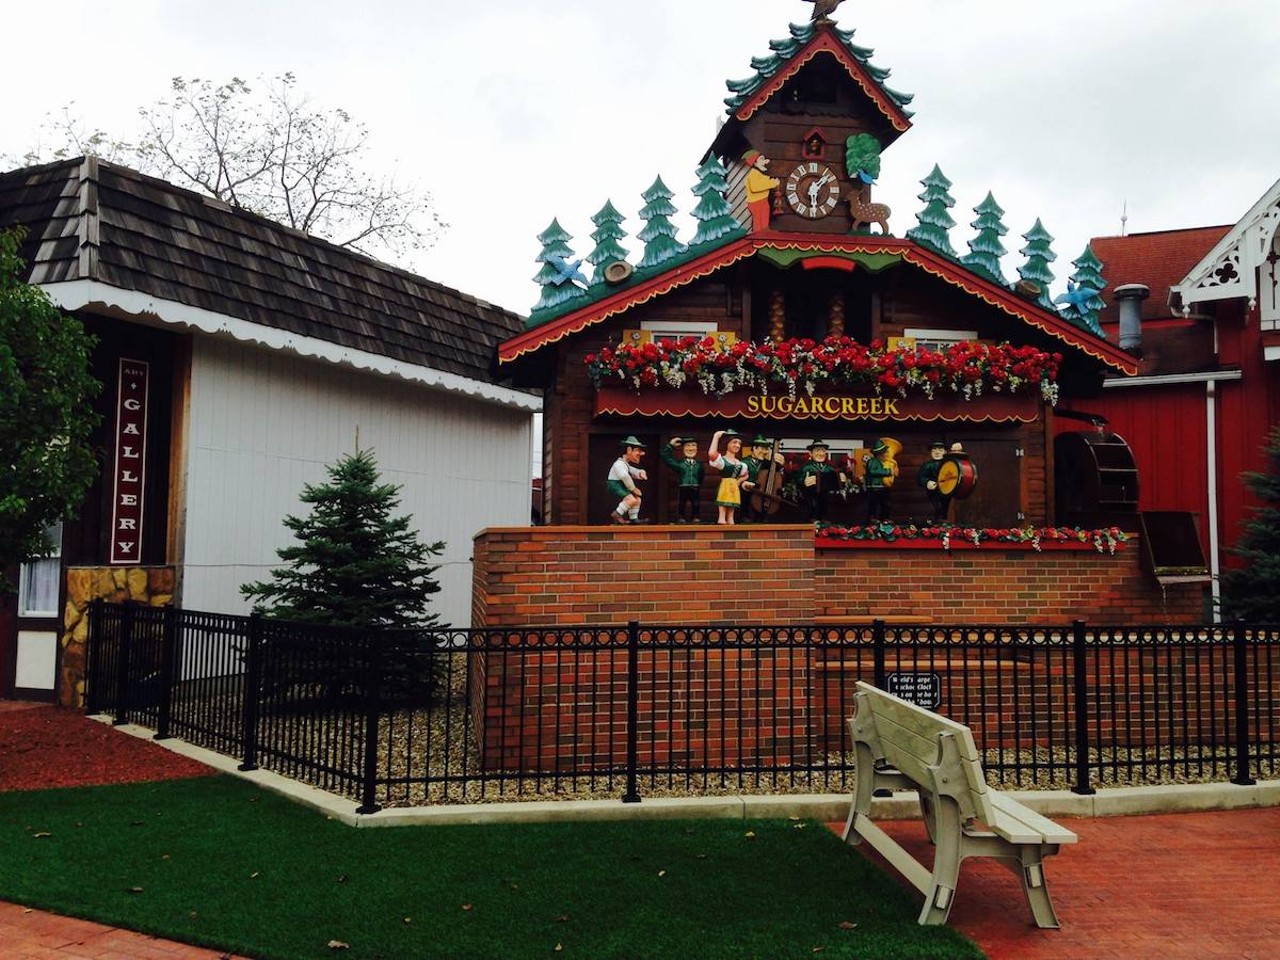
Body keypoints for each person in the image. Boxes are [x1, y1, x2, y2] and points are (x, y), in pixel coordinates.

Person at [794, 439, 847, 522]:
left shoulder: (829, 468)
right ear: (811, 453)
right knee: (812, 505)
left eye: (823, 451)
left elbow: (836, 482)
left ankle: (823, 519)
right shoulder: (807, 467)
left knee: (825, 504)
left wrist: (842, 480)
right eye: (817, 451)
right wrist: (803, 481)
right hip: (810, 495)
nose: (821, 454)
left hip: (825, 495)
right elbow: (798, 479)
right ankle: (813, 518)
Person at [708, 428, 751, 525]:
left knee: (732, 502)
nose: (737, 445)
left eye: (739, 443)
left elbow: (746, 474)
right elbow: (711, 454)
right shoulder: (722, 461)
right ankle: (722, 517)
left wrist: (739, 481)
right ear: (727, 444)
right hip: (725, 484)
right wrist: (716, 437)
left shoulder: (741, 464)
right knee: (723, 501)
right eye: (734, 442)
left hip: (734, 485)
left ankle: (730, 518)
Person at [740, 434, 785, 523]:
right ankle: (745, 517)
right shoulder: (744, 462)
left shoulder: (768, 464)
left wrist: (781, 465)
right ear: (754, 448)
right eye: (762, 448)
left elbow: (778, 475)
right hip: (747, 494)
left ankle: (762, 517)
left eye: (766, 449)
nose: (764, 451)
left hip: (762, 495)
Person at [661, 436, 705, 523]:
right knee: (682, 503)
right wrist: (670, 446)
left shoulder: (699, 465)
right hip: (683, 487)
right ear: (683, 449)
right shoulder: (680, 465)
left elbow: (701, 476)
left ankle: (695, 517)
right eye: (688, 446)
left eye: (693, 445)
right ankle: (681, 517)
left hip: (695, 487)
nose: (691, 448)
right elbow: (666, 457)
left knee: (696, 504)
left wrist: (697, 483)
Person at [606, 435, 648, 524]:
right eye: (637, 450)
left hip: (620, 484)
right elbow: (625, 477)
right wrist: (633, 489)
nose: (640, 454)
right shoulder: (618, 464)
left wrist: (640, 473)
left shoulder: (625, 465)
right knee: (631, 499)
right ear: (629, 450)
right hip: (614, 485)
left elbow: (632, 471)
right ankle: (617, 514)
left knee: (637, 499)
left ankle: (634, 519)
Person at [742, 150, 780, 232]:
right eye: (762, 159)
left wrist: (771, 182)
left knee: (765, 212)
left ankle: (765, 229)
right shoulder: (753, 174)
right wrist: (773, 183)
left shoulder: (760, 174)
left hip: (762, 199)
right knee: (759, 217)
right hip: (755, 201)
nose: (765, 161)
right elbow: (756, 187)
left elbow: (764, 182)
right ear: (755, 163)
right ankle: (759, 231)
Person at [917, 439, 951, 523]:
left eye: (940, 450)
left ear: (945, 452)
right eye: (934, 450)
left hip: (948, 490)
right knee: (937, 507)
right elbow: (920, 478)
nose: (937, 452)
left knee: (948, 507)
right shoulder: (928, 465)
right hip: (934, 491)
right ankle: (936, 524)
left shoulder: (949, 463)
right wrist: (927, 482)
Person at [863, 439, 894, 522]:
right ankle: (873, 519)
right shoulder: (872, 461)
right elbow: (873, 471)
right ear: (879, 453)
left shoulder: (881, 462)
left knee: (885, 504)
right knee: (874, 504)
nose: (885, 454)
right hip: (874, 487)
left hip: (882, 486)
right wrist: (888, 471)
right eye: (884, 452)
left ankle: (884, 519)